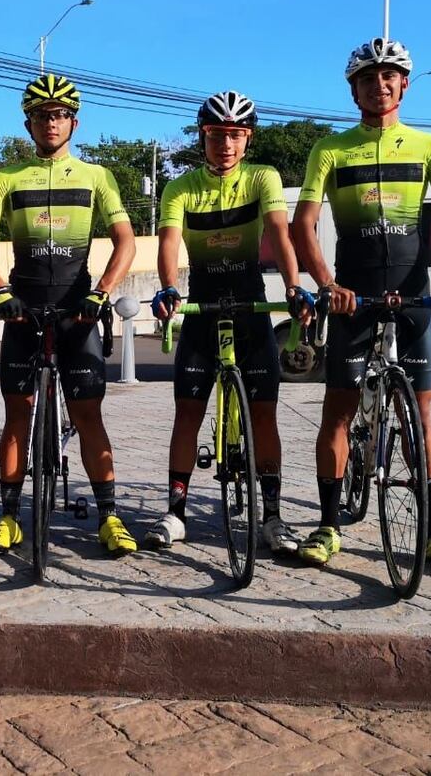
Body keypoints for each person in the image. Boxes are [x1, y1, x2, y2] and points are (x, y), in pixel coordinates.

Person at [291, 37, 431, 569]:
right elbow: (302, 224)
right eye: (367, 78)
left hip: (415, 292)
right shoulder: (330, 149)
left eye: (389, 76)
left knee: (422, 416)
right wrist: (329, 284)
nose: (379, 85)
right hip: (354, 295)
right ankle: (328, 525)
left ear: (403, 85)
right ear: (353, 89)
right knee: (338, 409)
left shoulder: (428, 147)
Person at [0, 74, 138, 557]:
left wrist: (102, 293)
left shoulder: (97, 176)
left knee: (87, 415)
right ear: (29, 123)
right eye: (42, 115)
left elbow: (125, 240)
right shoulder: (7, 178)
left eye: (59, 114)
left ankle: (109, 515)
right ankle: (7, 516)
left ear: (74, 123)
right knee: (16, 415)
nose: (51, 122)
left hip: (76, 310)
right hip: (21, 308)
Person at [143, 91, 309, 555]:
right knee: (187, 414)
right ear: (203, 136)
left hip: (250, 305)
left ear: (248, 138)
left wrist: (294, 287)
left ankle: (272, 516)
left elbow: (279, 231)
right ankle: (175, 513)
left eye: (236, 135)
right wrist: (169, 286)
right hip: (203, 306)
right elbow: (170, 242)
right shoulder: (181, 187)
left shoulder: (263, 177)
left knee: (264, 416)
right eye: (217, 135)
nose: (226, 144)